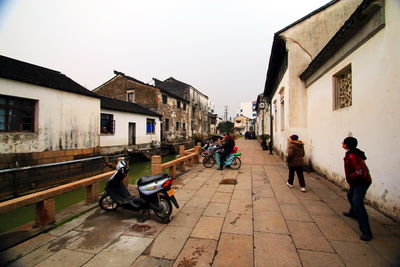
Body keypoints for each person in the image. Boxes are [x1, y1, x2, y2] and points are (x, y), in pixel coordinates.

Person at [342, 136, 373, 241]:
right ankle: (353, 213)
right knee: (350, 195)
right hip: (356, 182)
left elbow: (360, 172)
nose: (342, 144)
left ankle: (366, 232)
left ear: (346, 145)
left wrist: (351, 178)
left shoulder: (353, 156)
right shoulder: (352, 153)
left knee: (358, 204)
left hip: (361, 182)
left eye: (343, 143)